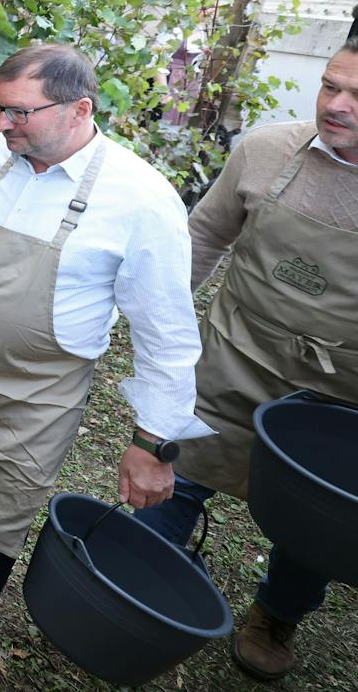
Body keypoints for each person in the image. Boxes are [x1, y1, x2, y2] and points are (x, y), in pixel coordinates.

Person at [0, 44, 214, 692]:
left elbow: (166, 334)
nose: (2, 125)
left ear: (80, 109)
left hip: (39, 392)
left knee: (0, 515)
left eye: (19, 112)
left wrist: (152, 443)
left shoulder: (139, 201)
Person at [133, 37, 358, 681]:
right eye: (329, 85)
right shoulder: (266, 151)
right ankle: (144, 570)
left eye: (357, 96)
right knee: (174, 469)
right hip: (237, 357)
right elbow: (204, 234)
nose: (335, 106)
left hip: (338, 395)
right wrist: (164, 330)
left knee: (313, 520)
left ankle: (278, 613)